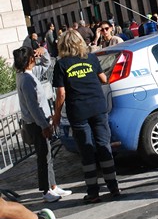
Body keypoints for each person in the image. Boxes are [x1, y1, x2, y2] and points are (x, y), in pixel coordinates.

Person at [52, 30, 120, 203]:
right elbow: (103, 79)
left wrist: (57, 115)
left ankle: (93, 192)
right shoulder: (91, 59)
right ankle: (113, 187)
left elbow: (61, 94)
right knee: (104, 145)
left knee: (87, 151)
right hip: (98, 107)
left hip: (78, 111)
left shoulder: (62, 65)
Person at [13, 46, 72, 202]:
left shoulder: (29, 74)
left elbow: (46, 64)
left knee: (47, 155)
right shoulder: (26, 80)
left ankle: (53, 186)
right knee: (43, 157)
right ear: (29, 59)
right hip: (37, 123)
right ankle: (46, 190)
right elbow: (33, 107)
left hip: (40, 121)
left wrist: (43, 51)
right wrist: (44, 126)